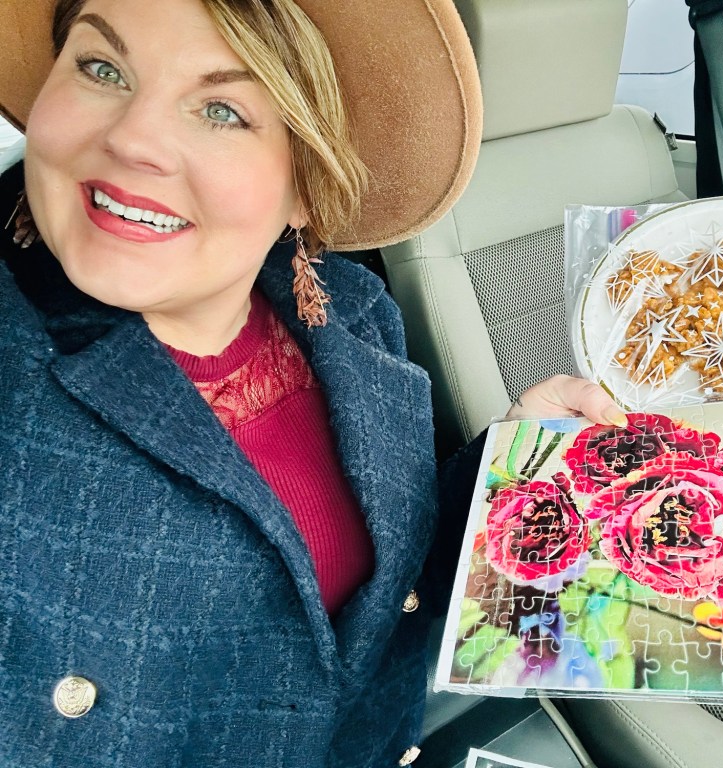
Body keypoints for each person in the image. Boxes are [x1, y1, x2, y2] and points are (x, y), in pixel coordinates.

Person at [0, 1, 625, 766]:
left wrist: (518, 465)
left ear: (304, 184)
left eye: (222, 111)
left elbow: (388, 582)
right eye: (102, 68)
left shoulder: (349, 313)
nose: (133, 139)